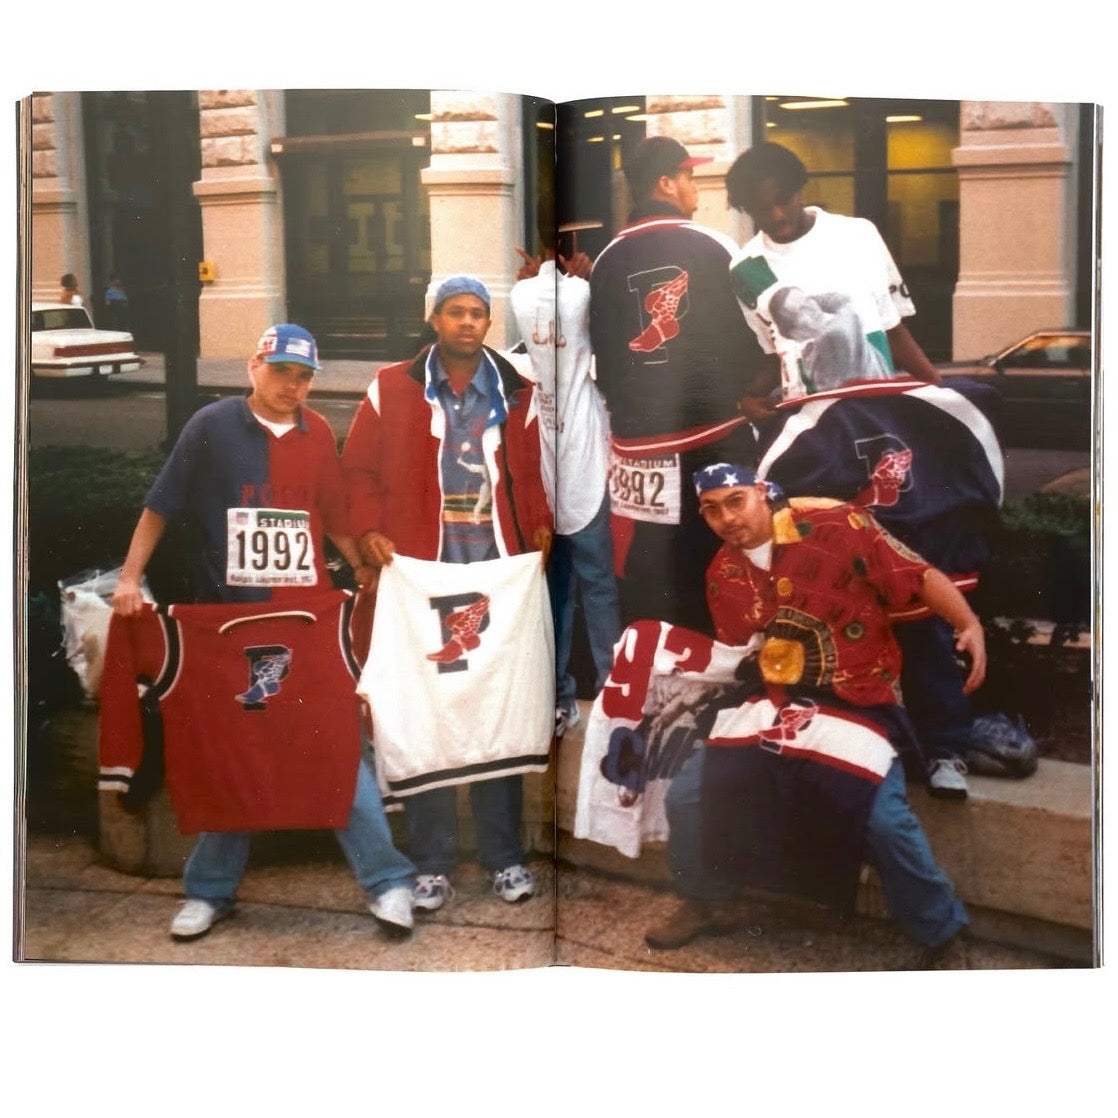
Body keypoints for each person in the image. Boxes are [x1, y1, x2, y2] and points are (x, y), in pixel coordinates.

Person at [110, 323, 417, 941]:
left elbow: (331, 514)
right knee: (234, 753)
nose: (292, 386)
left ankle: (388, 881)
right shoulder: (212, 424)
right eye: (281, 372)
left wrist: (359, 566)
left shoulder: (317, 433)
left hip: (305, 623)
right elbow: (161, 505)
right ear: (254, 366)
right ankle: (210, 891)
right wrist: (129, 577)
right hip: (228, 625)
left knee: (337, 744)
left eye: (303, 377)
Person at [644, 463, 982, 967]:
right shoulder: (722, 575)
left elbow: (917, 574)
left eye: (736, 501)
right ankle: (707, 899)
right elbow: (740, 652)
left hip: (858, 696)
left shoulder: (834, 523)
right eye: (711, 510)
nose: (726, 518)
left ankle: (942, 932)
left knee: (884, 820)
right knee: (689, 794)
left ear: (762, 493)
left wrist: (968, 623)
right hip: (776, 697)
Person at [342, 276, 552, 913]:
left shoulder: (517, 388)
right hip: (419, 572)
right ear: (434, 319)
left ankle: (503, 856)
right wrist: (369, 531)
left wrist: (538, 526)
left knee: (496, 712)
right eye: (455, 312)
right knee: (424, 716)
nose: (467, 322)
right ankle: (431, 863)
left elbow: (533, 469)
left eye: (478, 313)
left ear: (489, 323)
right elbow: (358, 471)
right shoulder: (389, 387)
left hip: (494, 572)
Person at [588, 136, 770, 634]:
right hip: (716, 440)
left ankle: (660, 673)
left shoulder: (605, 261)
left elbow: (603, 359)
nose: (695, 188)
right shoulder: (718, 246)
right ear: (666, 183)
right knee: (733, 572)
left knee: (652, 583)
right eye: (689, 176)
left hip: (639, 455)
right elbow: (767, 331)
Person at [511, 215, 620, 739]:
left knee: (558, 586)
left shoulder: (521, 296)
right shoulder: (584, 294)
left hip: (548, 449)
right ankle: (613, 694)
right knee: (597, 583)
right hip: (584, 452)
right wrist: (592, 280)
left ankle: (557, 697)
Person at [724, 141, 940, 405]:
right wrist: (750, 398)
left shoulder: (858, 235)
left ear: (799, 190)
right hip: (810, 418)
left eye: (783, 201)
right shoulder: (745, 268)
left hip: (877, 407)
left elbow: (892, 329)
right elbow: (775, 353)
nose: (777, 215)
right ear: (747, 210)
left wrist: (942, 391)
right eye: (762, 209)